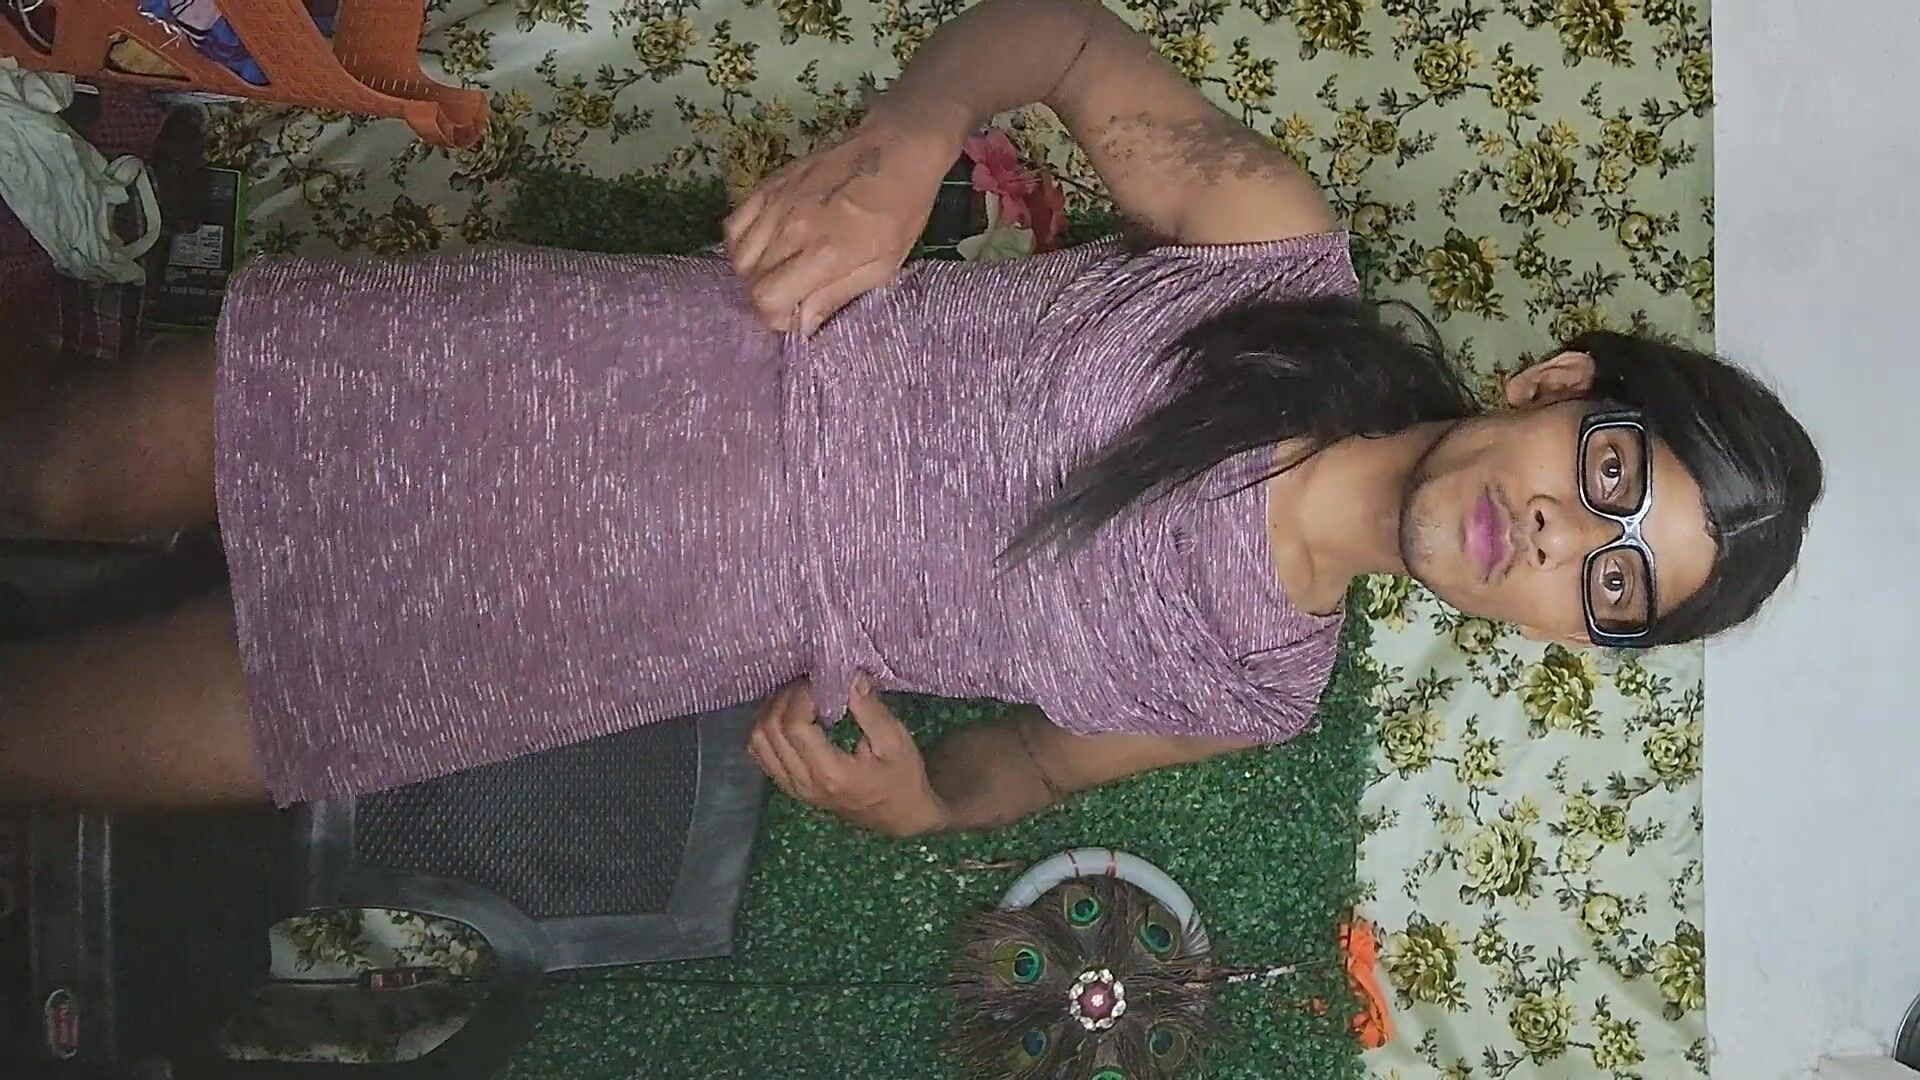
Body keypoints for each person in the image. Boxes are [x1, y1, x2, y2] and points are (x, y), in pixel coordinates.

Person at [0, 0, 1820, 835]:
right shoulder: (1271, 259)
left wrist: (917, 803)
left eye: (1610, 584)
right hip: (563, 378)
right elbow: (1059, 37)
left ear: (1565, 633)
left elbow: (1020, 770)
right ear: (1556, 387)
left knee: (33, 743)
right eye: (1609, 475)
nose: (1563, 538)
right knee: (53, 465)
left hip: (579, 637)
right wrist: (907, 144)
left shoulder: (1250, 692)